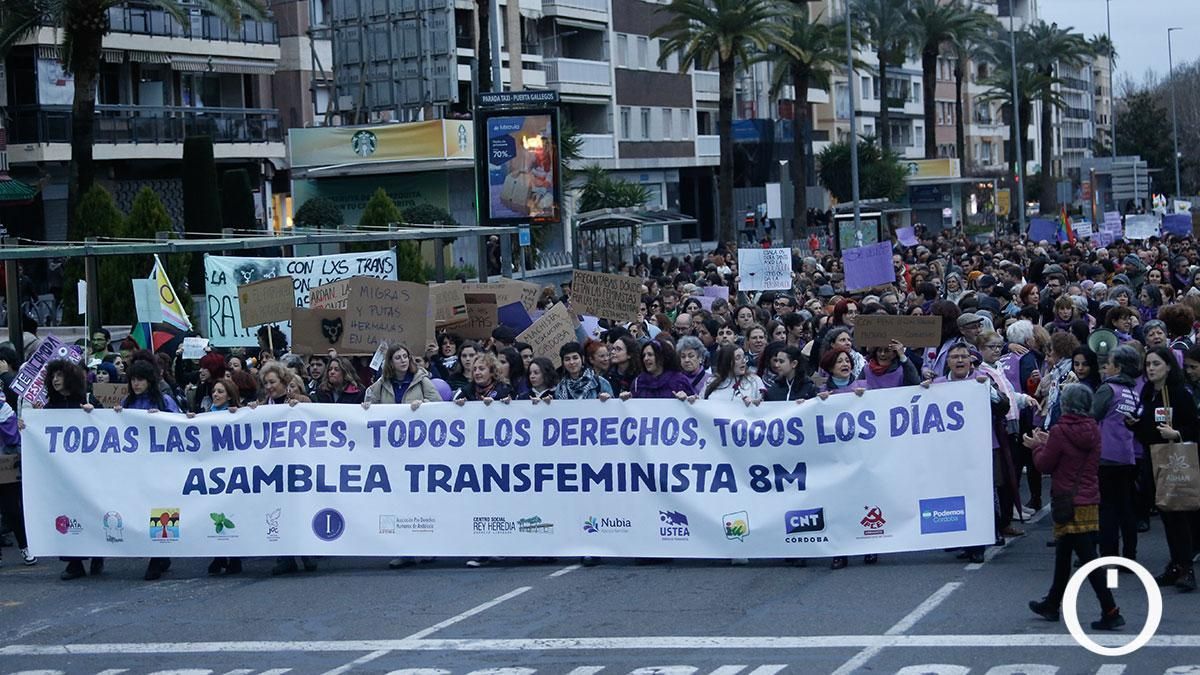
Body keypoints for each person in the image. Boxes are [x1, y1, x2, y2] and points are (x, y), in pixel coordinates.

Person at [1026, 384, 1126, 631]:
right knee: (1064, 553)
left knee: (1088, 559)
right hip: (1088, 497)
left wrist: (1037, 446)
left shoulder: (1060, 430)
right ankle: (1052, 603)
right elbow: (1074, 454)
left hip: (1066, 499)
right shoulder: (1093, 428)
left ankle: (1110, 610)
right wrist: (1050, 442)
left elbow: (1046, 465)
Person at [1133, 345, 1200, 590]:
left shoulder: (1179, 393)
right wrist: (1134, 424)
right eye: (1148, 364)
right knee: (1167, 517)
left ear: (1169, 366)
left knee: (1179, 516)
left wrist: (1177, 433)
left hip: (1175, 461)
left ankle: (1186, 568)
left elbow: (1194, 427)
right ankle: (1175, 565)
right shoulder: (1148, 392)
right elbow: (1145, 427)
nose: (1151, 369)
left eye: (1156, 364)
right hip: (1153, 459)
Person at [116, 359, 181, 581]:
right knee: (143, 510)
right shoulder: (126, 403)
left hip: (161, 467)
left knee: (161, 510)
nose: (136, 384)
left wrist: (164, 418)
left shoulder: (164, 401)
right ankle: (159, 554)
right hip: (136, 469)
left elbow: (181, 425)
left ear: (150, 380)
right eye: (133, 379)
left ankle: (159, 554)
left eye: (140, 379)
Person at [1092, 344, 1143, 562]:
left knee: (1107, 509)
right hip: (1127, 455)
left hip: (1105, 455)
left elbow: (1092, 414)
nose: (1105, 368)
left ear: (1118, 367)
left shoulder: (1108, 388)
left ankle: (1109, 555)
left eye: (1109, 364)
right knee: (1125, 507)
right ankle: (1130, 555)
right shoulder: (1132, 391)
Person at [188, 377, 243, 576]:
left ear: (229, 395)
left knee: (231, 512)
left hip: (231, 472)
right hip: (212, 472)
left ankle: (235, 558)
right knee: (214, 512)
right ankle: (218, 555)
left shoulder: (238, 414)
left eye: (220, 392)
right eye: (214, 391)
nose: (216, 395)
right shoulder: (206, 416)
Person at [0, 398, 31, 568]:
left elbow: (13, 438)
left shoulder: (4, 408)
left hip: (6, 467)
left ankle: (25, 547)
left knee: (13, 509)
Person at [363, 345, 441, 406]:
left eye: (405, 356)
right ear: (390, 362)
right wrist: (367, 406)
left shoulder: (422, 380)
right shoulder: (381, 383)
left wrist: (423, 403)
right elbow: (372, 406)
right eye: (398, 358)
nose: (403, 360)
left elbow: (438, 404)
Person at [625, 340, 694, 400]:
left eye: (650, 354)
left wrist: (687, 399)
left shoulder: (680, 381)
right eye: (644, 355)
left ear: (662, 357)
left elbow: (693, 406)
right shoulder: (638, 383)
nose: (646, 359)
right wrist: (625, 400)